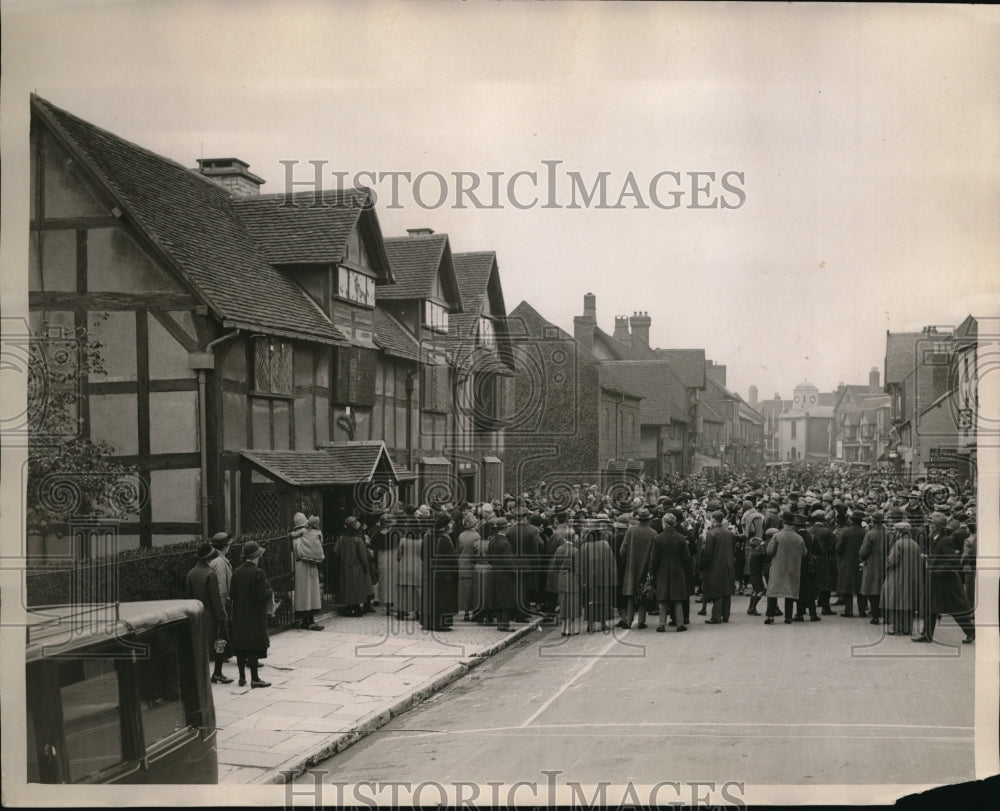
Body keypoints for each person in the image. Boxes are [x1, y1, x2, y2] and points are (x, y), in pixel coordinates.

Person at [914, 514, 975, 644]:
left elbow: (952, 561)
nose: (929, 526)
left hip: (945, 582)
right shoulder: (935, 539)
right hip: (937, 580)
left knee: (954, 609)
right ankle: (927, 635)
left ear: (938, 527)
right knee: (931, 607)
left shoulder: (944, 541)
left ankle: (971, 632)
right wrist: (929, 559)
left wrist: (937, 571)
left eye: (932, 524)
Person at [185, 542, 232, 684]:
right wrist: (221, 616)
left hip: (196, 614)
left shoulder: (191, 573)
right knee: (219, 644)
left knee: (200, 646)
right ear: (209, 558)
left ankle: (200, 676)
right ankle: (217, 673)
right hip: (211, 615)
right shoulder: (210, 574)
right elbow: (215, 598)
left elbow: (188, 597)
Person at [230, 541, 272, 688]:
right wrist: (269, 591)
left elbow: (232, 594)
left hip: (240, 614)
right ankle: (255, 678)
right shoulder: (258, 573)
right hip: (254, 616)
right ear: (256, 557)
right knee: (253, 647)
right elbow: (262, 595)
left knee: (241, 648)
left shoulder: (236, 572)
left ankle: (241, 678)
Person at [650, 512, 691, 632]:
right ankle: (680, 624)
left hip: (663, 568)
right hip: (678, 568)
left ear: (665, 524)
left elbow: (654, 558)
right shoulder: (681, 538)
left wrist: (652, 572)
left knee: (662, 598)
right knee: (678, 597)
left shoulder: (658, 538)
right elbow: (686, 557)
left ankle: (661, 624)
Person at [617, 507, 657, 629]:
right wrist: (651, 568)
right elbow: (653, 554)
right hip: (645, 567)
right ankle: (641, 621)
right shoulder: (653, 533)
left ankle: (628, 621)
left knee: (630, 594)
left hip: (632, 566)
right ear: (648, 519)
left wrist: (627, 561)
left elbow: (622, 550)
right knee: (643, 593)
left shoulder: (631, 531)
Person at [764, 511, 806, 625]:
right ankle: (788, 617)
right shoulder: (799, 538)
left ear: (783, 522)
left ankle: (770, 616)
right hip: (793, 568)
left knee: (773, 591)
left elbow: (769, 551)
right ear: (793, 524)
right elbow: (804, 553)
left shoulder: (777, 536)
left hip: (778, 567)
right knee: (790, 593)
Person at [579, 517, 618, 633]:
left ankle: (590, 625)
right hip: (604, 578)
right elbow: (611, 563)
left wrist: (582, 579)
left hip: (589, 579)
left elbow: (581, 565)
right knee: (603, 601)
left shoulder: (584, 547)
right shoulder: (605, 545)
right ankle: (603, 623)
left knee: (590, 602)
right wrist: (613, 578)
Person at [882, 521, 920, 635]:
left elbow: (892, 561)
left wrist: (887, 561)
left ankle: (896, 627)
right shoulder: (915, 544)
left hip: (898, 576)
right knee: (909, 602)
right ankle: (907, 628)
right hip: (912, 577)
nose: (894, 533)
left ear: (900, 532)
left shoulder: (898, 544)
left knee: (895, 601)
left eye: (895, 531)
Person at [289, 513, 325, 631]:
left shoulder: (298, 537)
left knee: (307, 594)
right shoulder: (301, 538)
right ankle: (307, 620)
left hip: (303, 567)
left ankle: (309, 620)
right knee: (308, 593)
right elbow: (300, 552)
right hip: (306, 567)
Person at [423, 511, 459, 631]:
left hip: (429, 571)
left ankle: (428, 622)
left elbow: (422, 554)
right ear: (445, 526)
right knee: (442, 599)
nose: (453, 524)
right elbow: (452, 560)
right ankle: (441, 624)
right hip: (444, 575)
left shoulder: (427, 536)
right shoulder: (445, 539)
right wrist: (455, 571)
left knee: (430, 597)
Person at [701, 510, 735, 624]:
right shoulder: (729, 532)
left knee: (717, 591)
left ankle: (716, 617)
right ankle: (726, 615)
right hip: (728, 564)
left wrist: (704, 565)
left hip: (715, 565)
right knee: (726, 590)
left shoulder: (711, 533)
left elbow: (708, 553)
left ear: (713, 519)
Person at [334, 517, 372, 617]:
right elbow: (363, 556)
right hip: (357, 567)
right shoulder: (358, 539)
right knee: (356, 588)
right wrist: (365, 567)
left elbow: (336, 551)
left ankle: (348, 607)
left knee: (346, 588)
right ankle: (356, 608)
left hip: (344, 567)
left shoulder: (342, 538)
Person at [485, 517, 517, 631]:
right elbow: (508, 561)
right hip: (505, 575)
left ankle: (500, 623)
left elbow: (489, 558)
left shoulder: (492, 540)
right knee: (507, 600)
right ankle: (504, 624)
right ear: (505, 528)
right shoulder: (505, 543)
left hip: (495, 573)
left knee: (498, 600)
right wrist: (516, 571)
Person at [549, 525, 582, 636]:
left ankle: (563, 628)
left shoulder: (559, 549)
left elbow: (554, 565)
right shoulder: (575, 551)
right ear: (573, 538)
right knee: (572, 605)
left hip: (562, 578)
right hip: (572, 579)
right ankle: (570, 628)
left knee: (563, 604)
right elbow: (577, 568)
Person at [207, 531, 234, 661]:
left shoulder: (217, 560)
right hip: (221, 602)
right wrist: (222, 604)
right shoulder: (220, 562)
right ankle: (220, 655)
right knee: (221, 630)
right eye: (228, 544)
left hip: (218, 601)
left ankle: (220, 654)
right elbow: (221, 585)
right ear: (224, 546)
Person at [859, 512, 889, 625]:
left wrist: (861, 555)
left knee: (873, 591)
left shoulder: (870, 534)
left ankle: (875, 616)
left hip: (872, 565)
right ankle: (887, 617)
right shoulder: (889, 534)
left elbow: (864, 552)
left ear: (873, 521)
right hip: (886, 565)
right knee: (886, 591)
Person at [835, 511, 866, 617]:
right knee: (861, 587)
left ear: (852, 520)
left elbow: (838, 549)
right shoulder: (865, 532)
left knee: (847, 588)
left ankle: (848, 611)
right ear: (861, 521)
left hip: (847, 562)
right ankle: (862, 611)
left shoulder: (845, 532)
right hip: (861, 562)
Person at [395, 515, 423, 621]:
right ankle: (417, 611)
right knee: (417, 590)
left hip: (404, 566)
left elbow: (398, 555)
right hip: (417, 566)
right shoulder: (421, 541)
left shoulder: (403, 540)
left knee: (403, 590)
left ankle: (401, 611)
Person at [370, 513, 399, 615]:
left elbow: (373, 543)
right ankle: (393, 603)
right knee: (394, 579)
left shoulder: (378, 533)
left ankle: (386, 603)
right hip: (393, 555)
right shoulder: (395, 533)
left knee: (384, 579)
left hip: (383, 556)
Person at [810, 511, 837, 615]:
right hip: (824, 560)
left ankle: (809, 607)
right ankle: (825, 607)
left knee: (812, 582)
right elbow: (832, 547)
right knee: (826, 583)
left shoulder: (809, 530)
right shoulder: (827, 531)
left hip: (811, 560)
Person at [456, 513, 483, 622]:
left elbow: (457, 549)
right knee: (472, 591)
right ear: (472, 525)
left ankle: (466, 613)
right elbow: (478, 552)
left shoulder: (461, 535)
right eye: (476, 523)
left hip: (461, 565)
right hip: (471, 566)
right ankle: (472, 613)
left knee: (464, 591)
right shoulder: (477, 536)